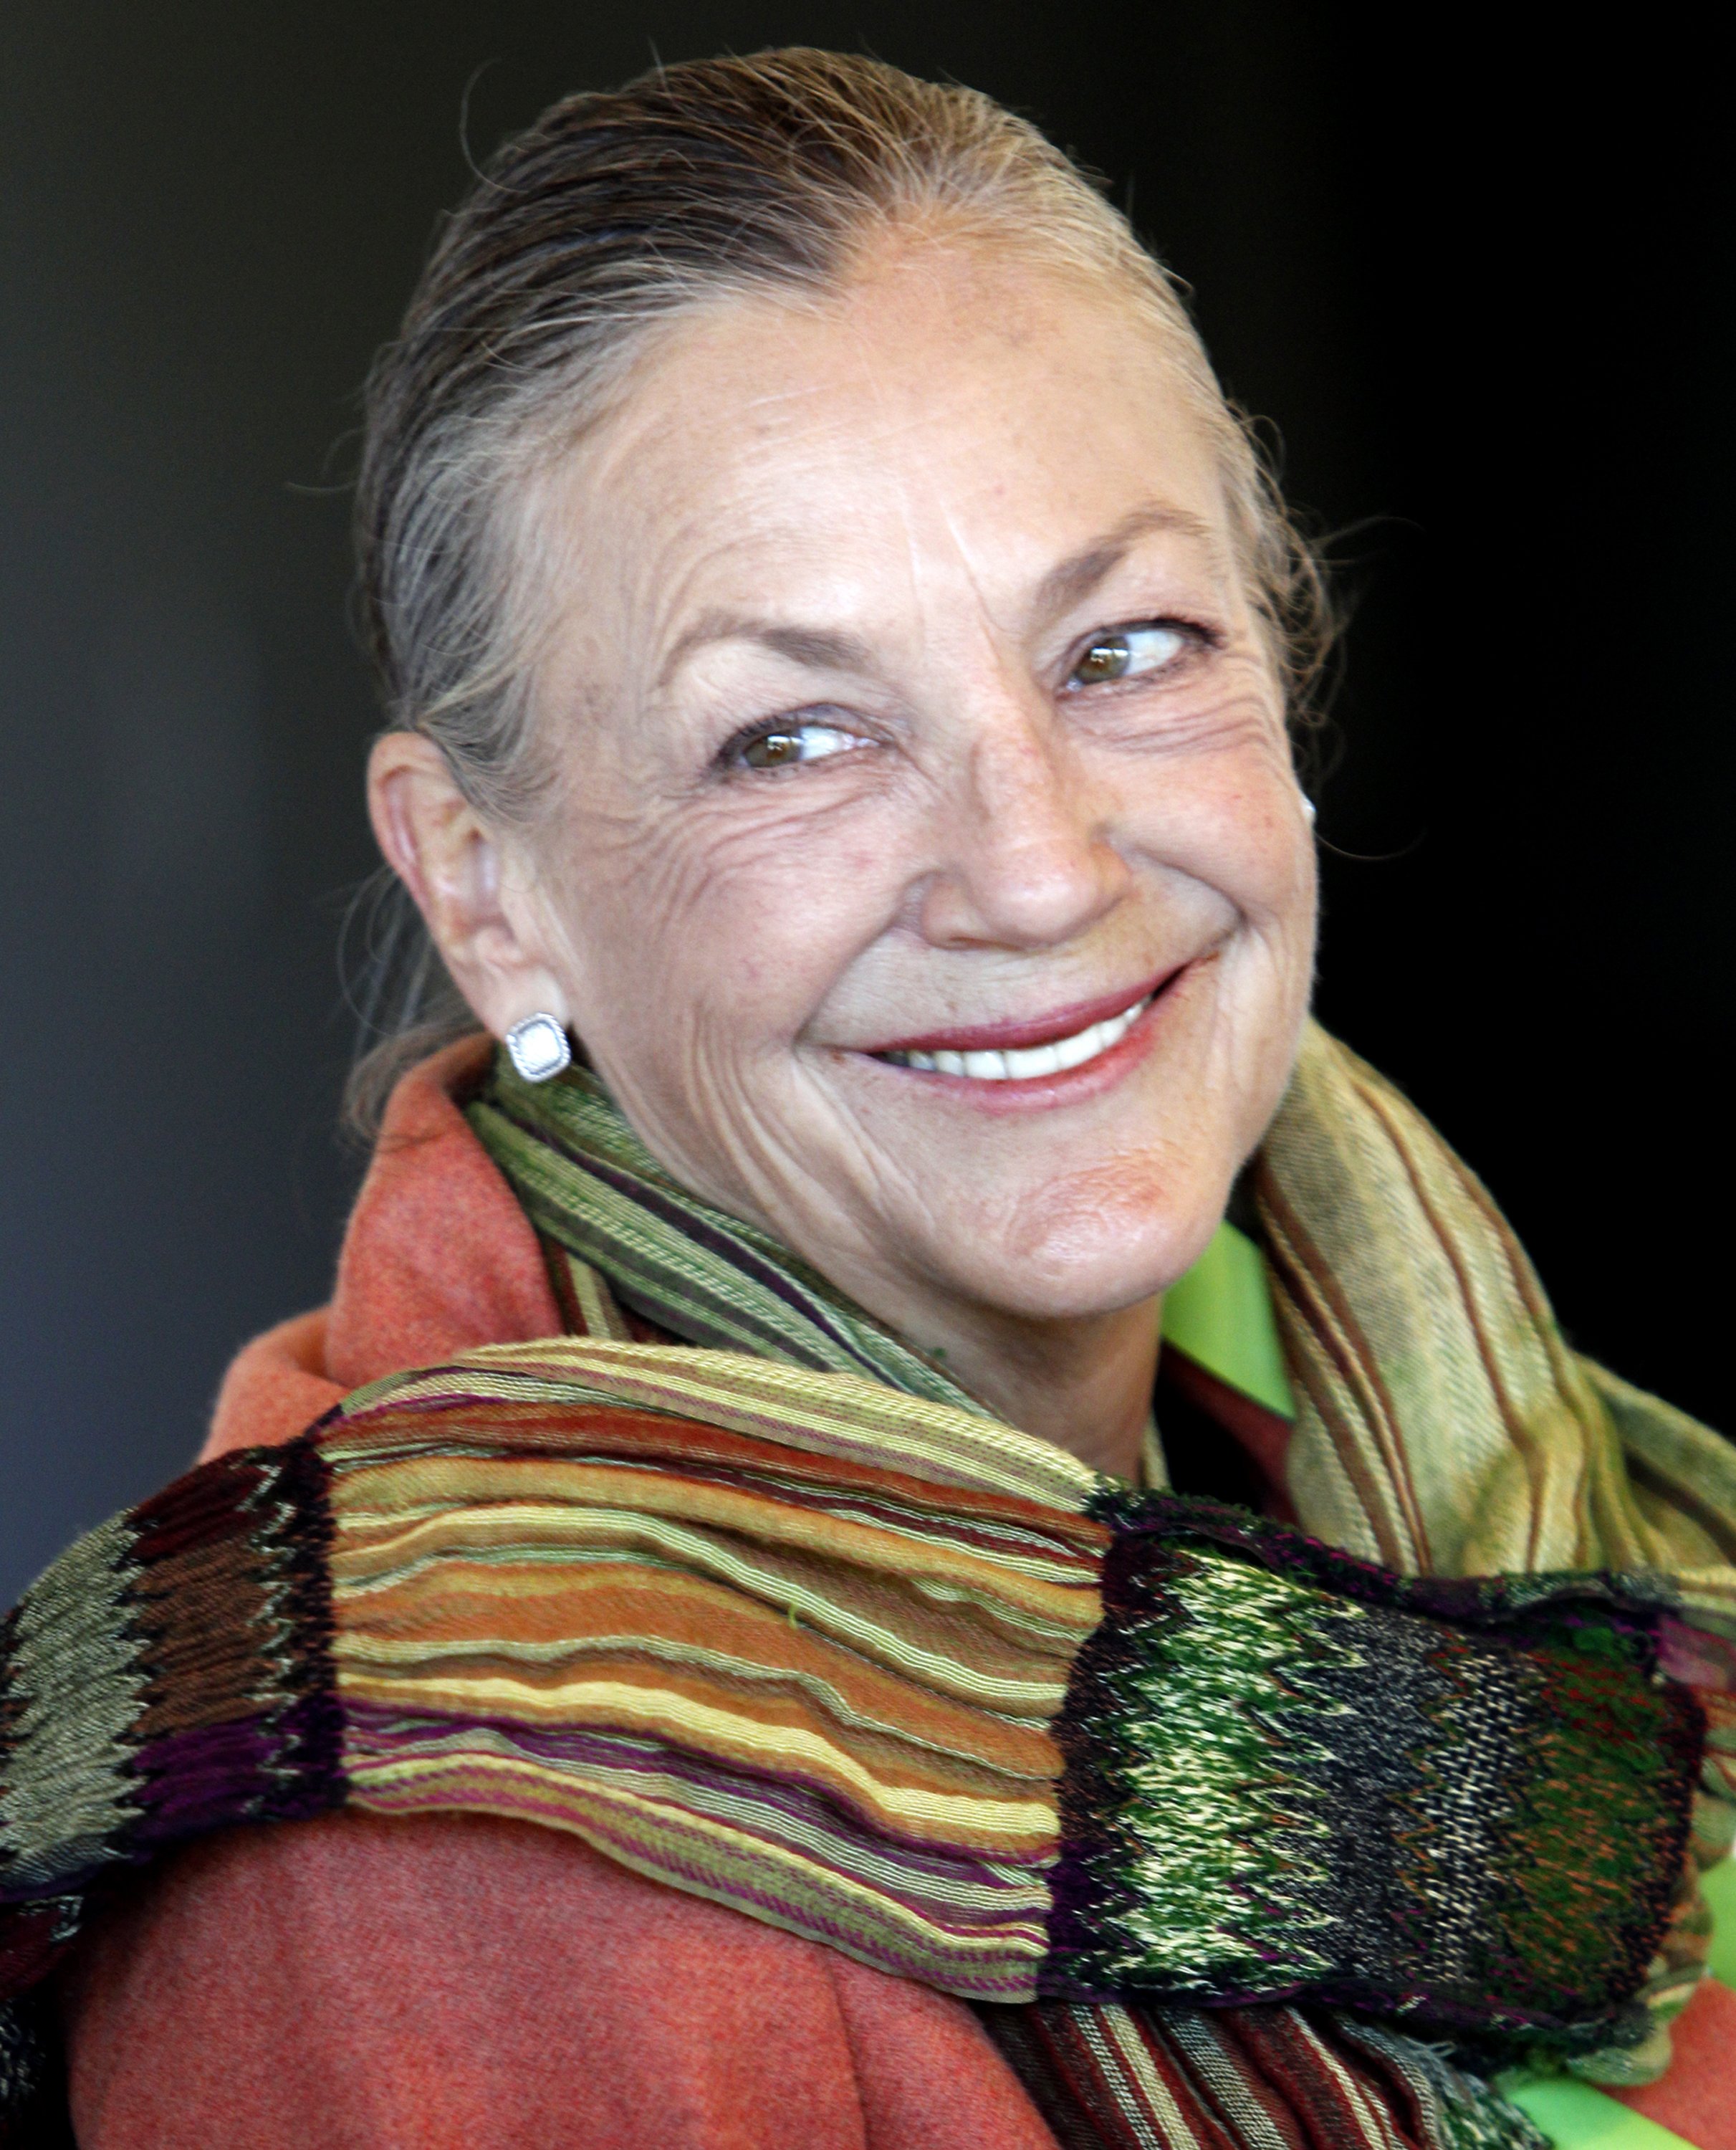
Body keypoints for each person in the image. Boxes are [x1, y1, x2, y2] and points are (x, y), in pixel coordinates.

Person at [2, 49, 1733, 2150]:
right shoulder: (414, 1874)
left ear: (1285, 658)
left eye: (1123, 651)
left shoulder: (1529, 1495)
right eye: (793, 741)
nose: (1038, 869)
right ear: (491, 892)